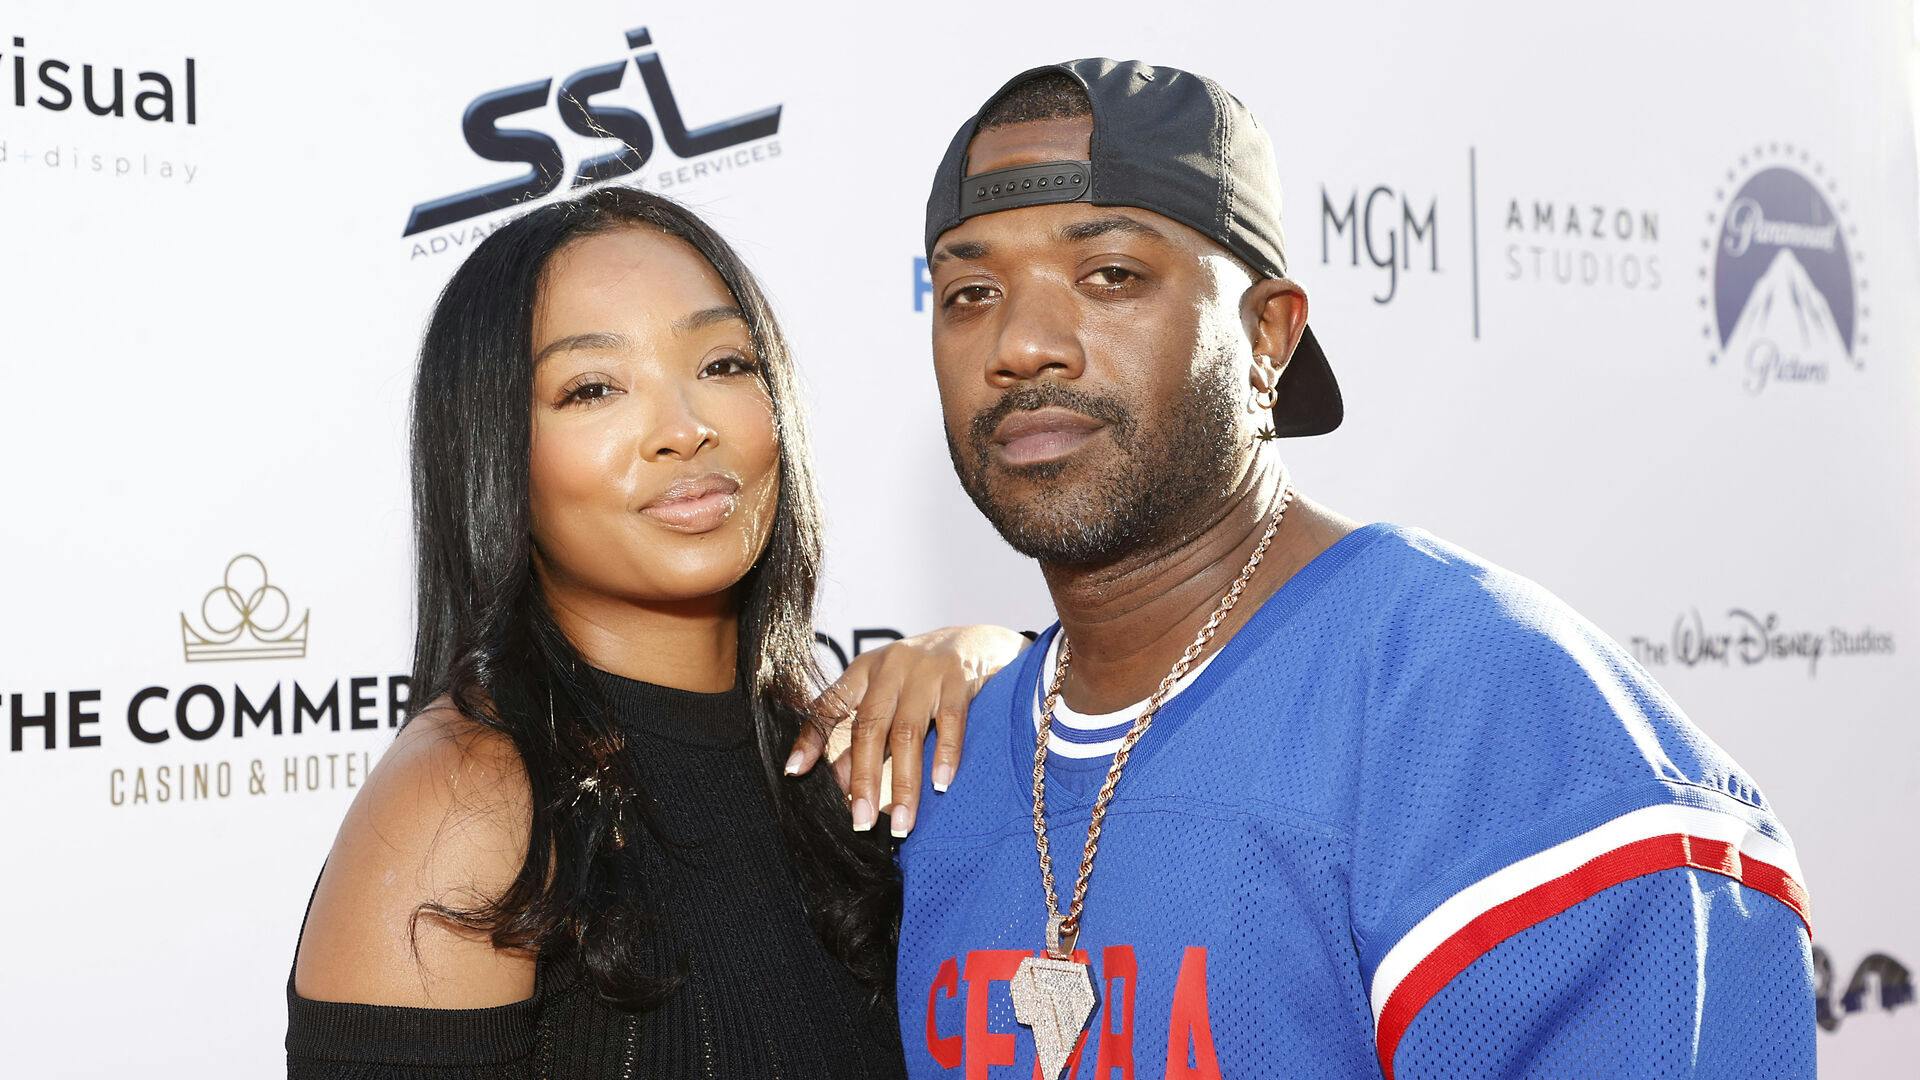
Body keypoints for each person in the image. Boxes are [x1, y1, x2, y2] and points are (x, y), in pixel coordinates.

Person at [890, 60, 1815, 1079]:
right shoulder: (927, 762)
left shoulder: (1482, 707)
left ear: (1266, 335)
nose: (1021, 344)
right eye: (970, 292)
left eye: (1111, 275)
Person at [285, 187, 1026, 1079]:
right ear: (494, 453)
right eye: (592, 387)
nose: (685, 429)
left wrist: (1004, 659)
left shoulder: (826, 755)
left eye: (723, 364)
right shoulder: (469, 799)